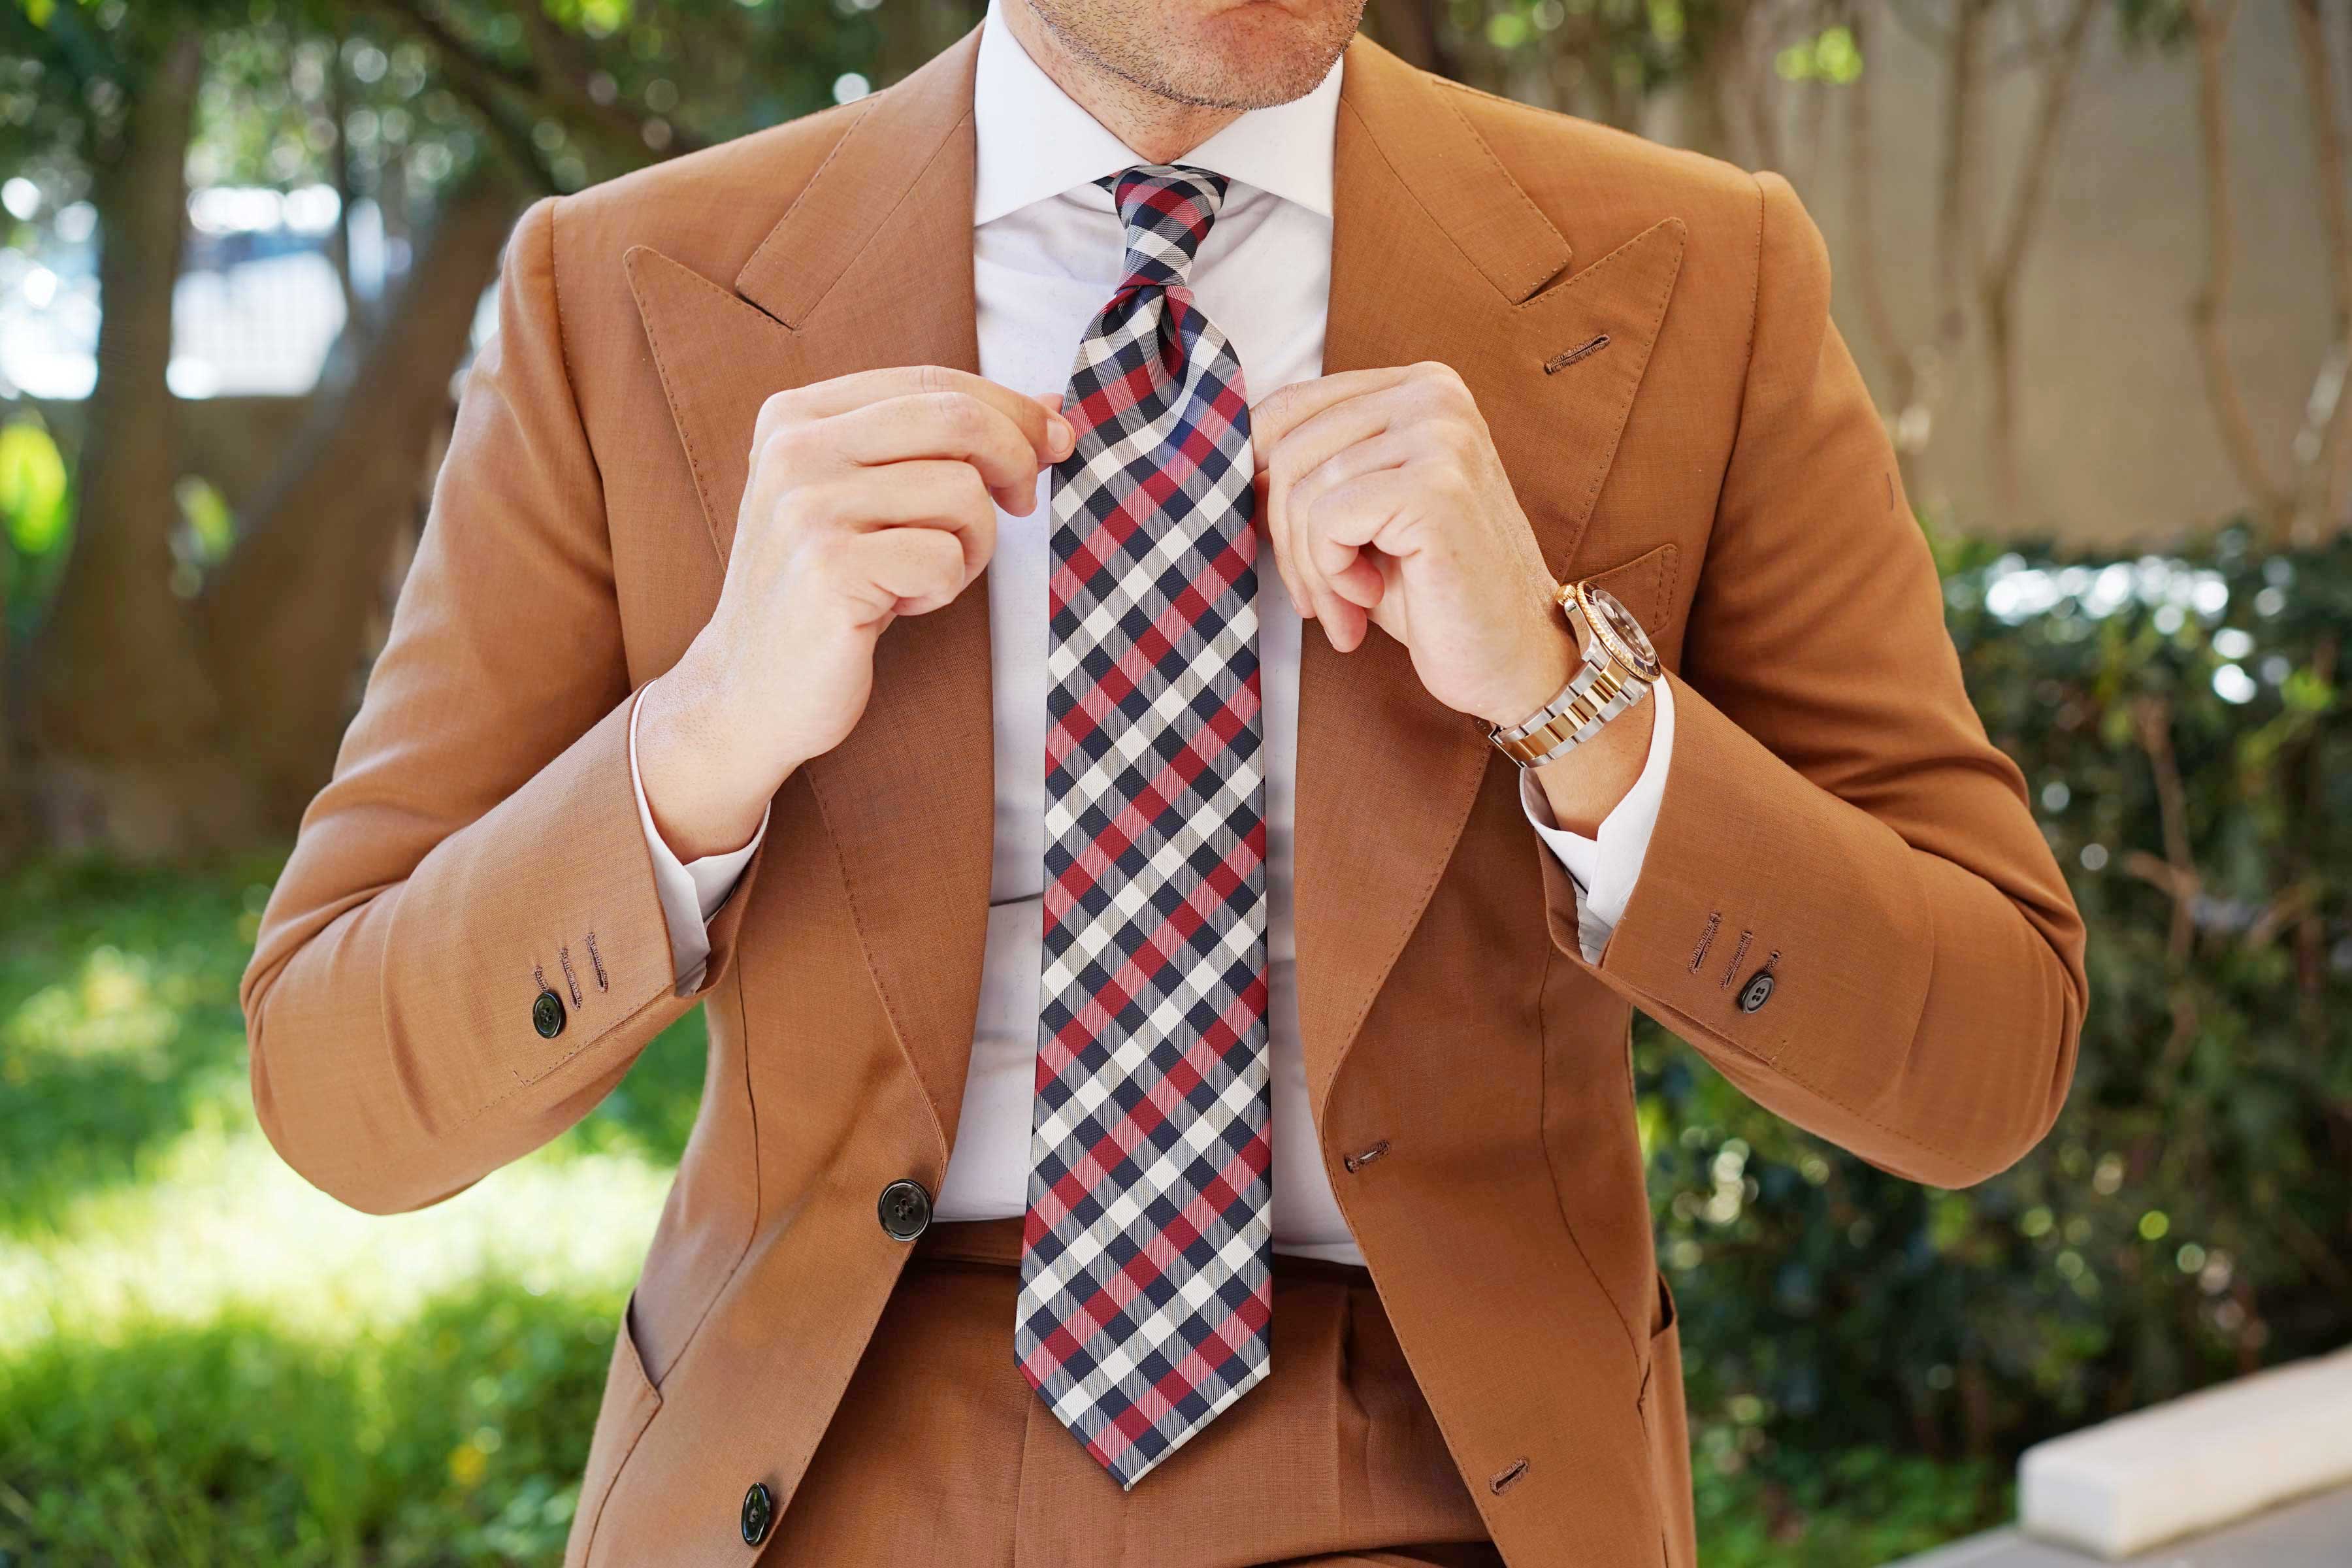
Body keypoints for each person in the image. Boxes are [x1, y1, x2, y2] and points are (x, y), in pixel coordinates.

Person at [240, 0, 2089, 1563]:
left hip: (1442, 1472)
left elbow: (1990, 1053)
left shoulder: (1697, 272)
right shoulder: (621, 290)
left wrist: (1567, 696)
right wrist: (707, 732)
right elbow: (339, 1086)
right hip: (814, 1465)